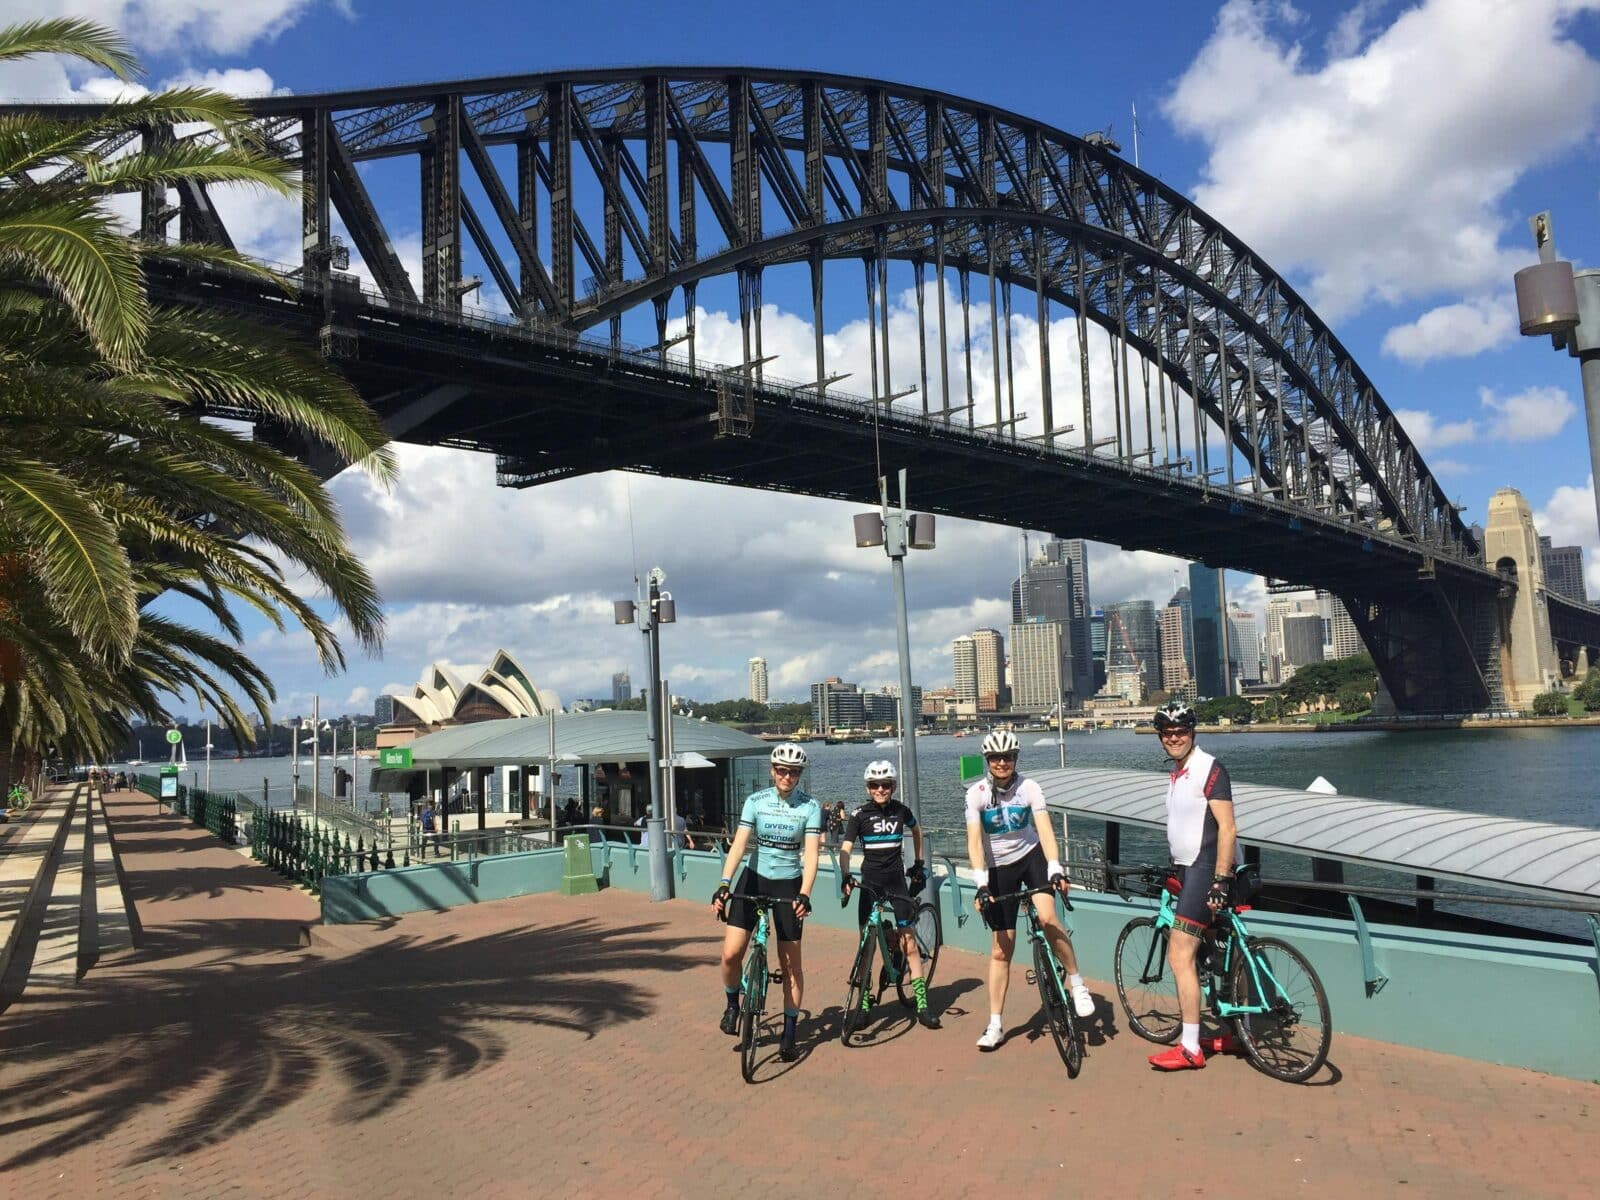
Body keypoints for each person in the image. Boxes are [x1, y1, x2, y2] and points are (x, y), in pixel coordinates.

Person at [965, 729, 1095, 1051]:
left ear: (1015, 759)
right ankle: (995, 1024)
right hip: (998, 868)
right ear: (988, 761)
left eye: (1007, 757)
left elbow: (1046, 831)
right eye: (995, 758)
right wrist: (981, 885)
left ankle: (1076, 982)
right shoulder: (976, 794)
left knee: (1049, 918)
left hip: (1030, 858)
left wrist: (1055, 867)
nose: (1002, 762)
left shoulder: (1030, 788)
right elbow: (973, 844)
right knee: (1000, 950)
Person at [711, 744, 823, 1063]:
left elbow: (812, 854)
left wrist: (805, 892)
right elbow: (740, 844)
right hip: (754, 878)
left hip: (789, 883)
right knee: (731, 954)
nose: (788, 776)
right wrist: (723, 884)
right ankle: (733, 1004)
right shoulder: (755, 801)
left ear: (799, 775)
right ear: (772, 771)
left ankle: (789, 1031)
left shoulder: (810, 807)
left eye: (794, 772)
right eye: (782, 770)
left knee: (790, 965)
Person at [1147, 700, 1241, 1071]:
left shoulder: (1209, 768)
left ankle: (1190, 1047)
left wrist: (1219, 880)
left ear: (1193, 733)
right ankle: (1236, 1030)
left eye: (1180, 732)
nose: (1174, 738)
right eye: (1167, 733)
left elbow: (1228, 828)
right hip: (1187, 870)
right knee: (1214, 953)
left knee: (1179, 955)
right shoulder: (1178, 773)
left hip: (1206, 871)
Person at [838, 760, 940, 1029]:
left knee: (909, 944)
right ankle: (863, 1004)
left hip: (896, 882)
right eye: (875, 785)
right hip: (870, 883)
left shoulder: (901, 811)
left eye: (885, 785)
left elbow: (917, 830)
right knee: (865, 947)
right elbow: (845, 849)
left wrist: (918, 863)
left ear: (893, 786)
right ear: (868, 787)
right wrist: (846, 874)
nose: (880, 789)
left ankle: (922, 1004)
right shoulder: (859, 815)